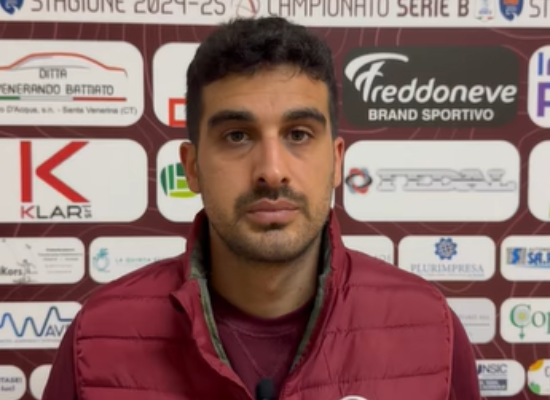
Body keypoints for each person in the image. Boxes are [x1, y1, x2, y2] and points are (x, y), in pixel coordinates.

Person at [42, 16, 481, 400]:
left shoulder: (431, 329)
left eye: (298, 134)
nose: (271, 171)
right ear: (192, 168)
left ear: (336, 162)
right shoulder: (97, 337)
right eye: (237, 136)